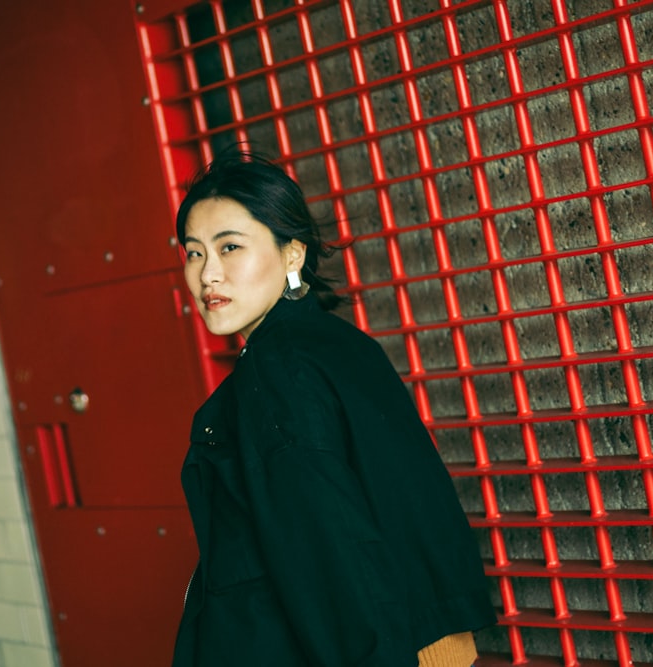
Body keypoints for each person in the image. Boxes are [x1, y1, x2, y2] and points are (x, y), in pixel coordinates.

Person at [171, 150, 497, 666]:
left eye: (229, 247)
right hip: (422, 638)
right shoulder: (339, 346)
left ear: (292, 254)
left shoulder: (277, 371)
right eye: (193, 253)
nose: (208, 273)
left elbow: (325, 548)